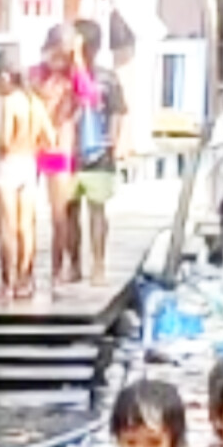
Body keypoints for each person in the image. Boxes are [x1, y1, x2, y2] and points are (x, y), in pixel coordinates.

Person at [0, 50, 57, 300]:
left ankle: (7, 284)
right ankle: (27, 282)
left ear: (5, 77)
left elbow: (4, 140)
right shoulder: (34, 101)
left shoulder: (10, 102)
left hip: (8, 165)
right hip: (29, 164)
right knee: (27, 227)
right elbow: (51, 138)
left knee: (7, 227)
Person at [70, 16, 129, 287]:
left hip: (98, 154)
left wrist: (113, 141)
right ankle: (73, 265)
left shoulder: (107, 78)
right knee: (68, 212)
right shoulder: (64, 76)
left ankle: (98, 265)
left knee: (97, 211)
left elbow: (118, 110)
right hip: (67, 154)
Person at [34, 35, 89, 291]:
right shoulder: (37, 74)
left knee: (59, 215)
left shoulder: (73, 80)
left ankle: (57, 270)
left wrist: (77, 58)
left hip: (58, 151)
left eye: (61, 56)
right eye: (53, 54)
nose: (56, 60)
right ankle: (21, 273)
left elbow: (89, 94)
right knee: (27, 215)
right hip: (32, 149)